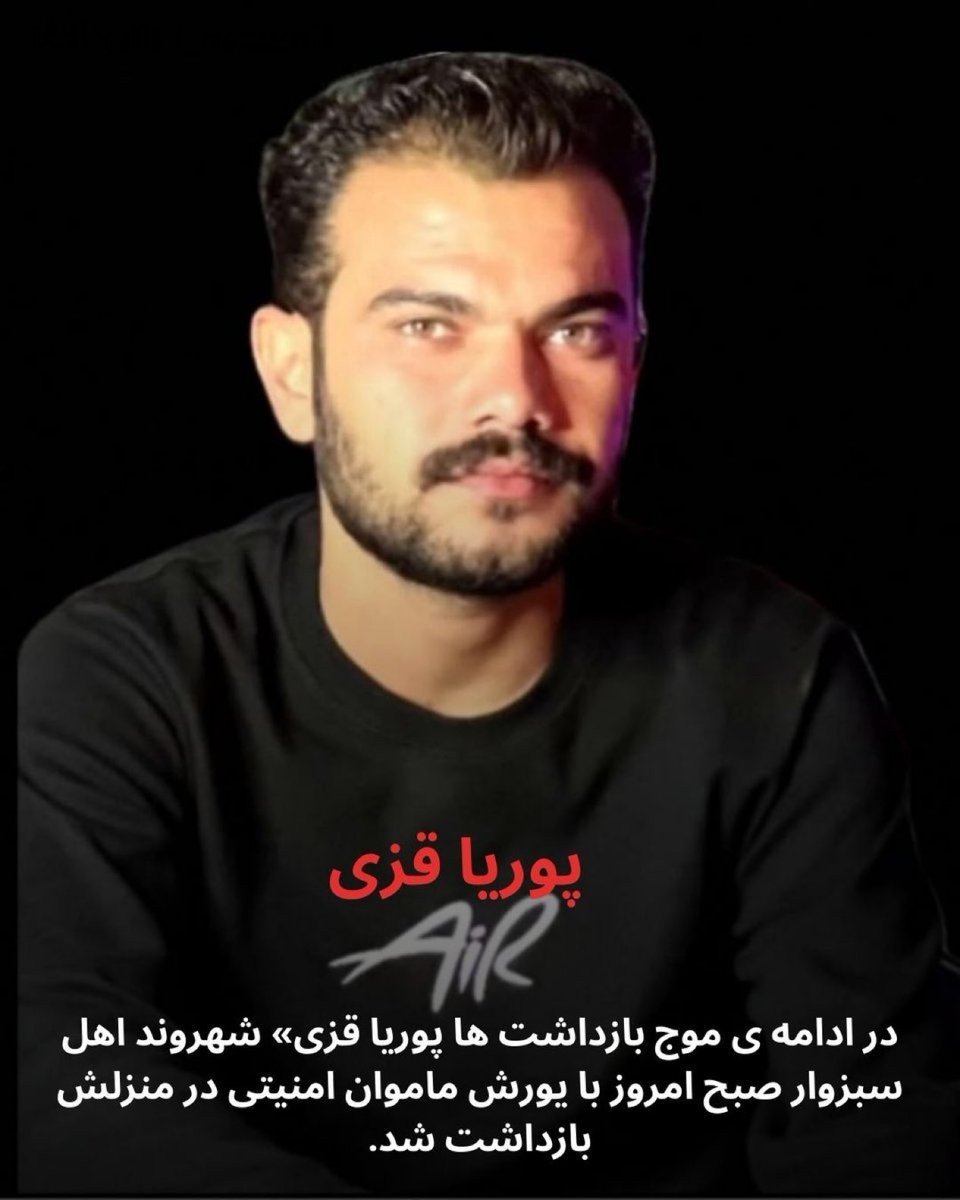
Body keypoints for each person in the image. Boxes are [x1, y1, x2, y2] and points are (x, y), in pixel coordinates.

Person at [18, 49, 958, 1196]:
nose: (515, 397)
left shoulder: (779, 678)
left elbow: (871, 1125)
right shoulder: (121, 678)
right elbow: (65, 1096)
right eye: (428, 325)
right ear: (292, 372)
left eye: (577, 331)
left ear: (637, 363)